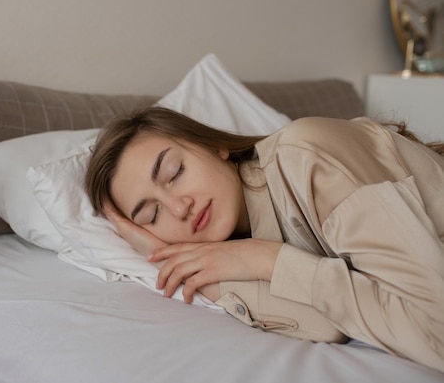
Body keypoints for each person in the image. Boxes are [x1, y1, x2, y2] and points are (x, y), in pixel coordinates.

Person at [85, 106, 444, 373]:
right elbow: (328, 326)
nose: (179, 209)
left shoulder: (304, 154)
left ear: (213, 146)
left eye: (175, 172)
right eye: (152, 216)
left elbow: (436, 329)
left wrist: (268, 260)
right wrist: (177, 261)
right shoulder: (242, 245)